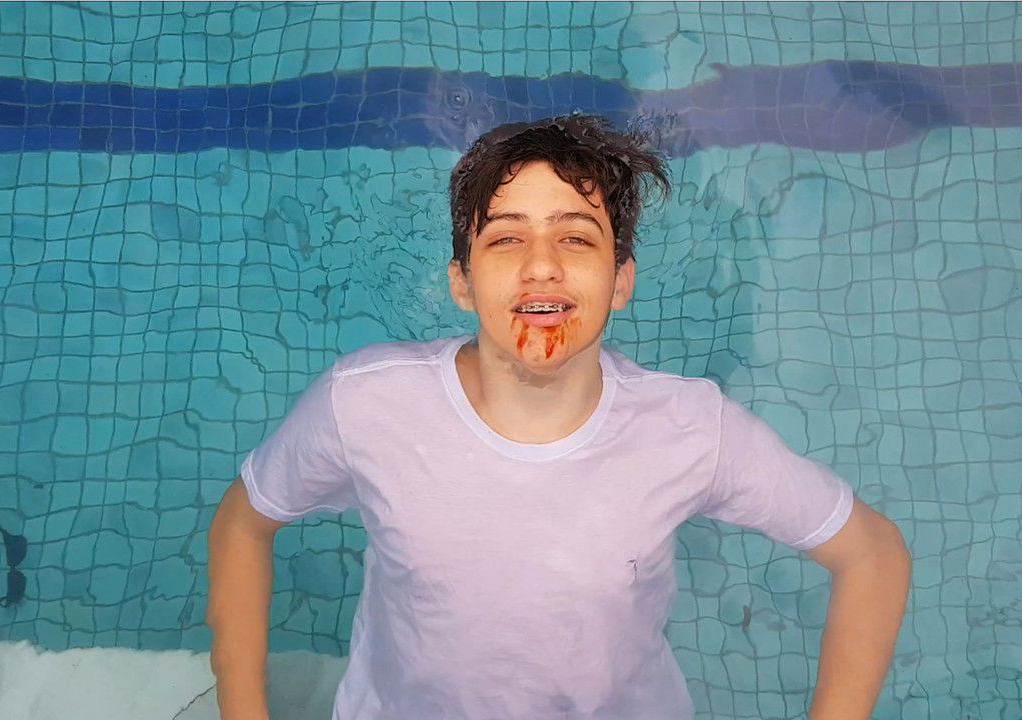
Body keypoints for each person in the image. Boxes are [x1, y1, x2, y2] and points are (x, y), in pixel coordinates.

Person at [207, 115, 911, 720]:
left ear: (622, 279)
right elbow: (244, 522)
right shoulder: (366, 404)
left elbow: (873, 554)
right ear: (461, 281)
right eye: (505, 238)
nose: (541, 266)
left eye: (576, 238)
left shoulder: (690, 429)